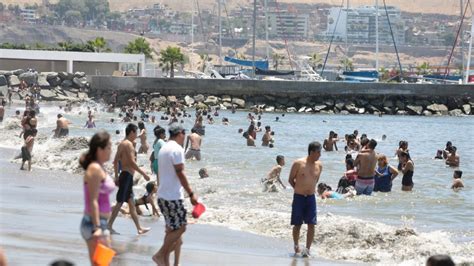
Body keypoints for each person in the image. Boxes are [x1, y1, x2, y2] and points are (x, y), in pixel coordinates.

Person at [152, 124, 198, 266]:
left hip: (162, 195)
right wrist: (191, 194)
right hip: (172, 197)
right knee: (181, 227)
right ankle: (160, 255)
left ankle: (166, 261)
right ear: (179, 134)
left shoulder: (164, 148)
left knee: (171, 231)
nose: (184, 137)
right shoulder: (177, 149)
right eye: (184, 134)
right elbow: (180, 173)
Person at [108, 123, 151, 235]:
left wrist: (117, 176)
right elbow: (132, 162)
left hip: (125, 175)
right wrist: (144, 174)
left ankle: (139, 228)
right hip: (127, 176)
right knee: (120, 202)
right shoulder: (129, 145)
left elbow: (115, 161)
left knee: (131, 203)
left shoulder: (122, 144)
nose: (136, 135)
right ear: (131, 132)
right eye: (135, 133)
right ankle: (109, 225)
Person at [79, 131, 115, 265]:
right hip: (94, 224)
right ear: (100, 149)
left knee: (100, 263)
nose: (111, 151)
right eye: (109, 147)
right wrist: (97, 227)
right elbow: (93, 200)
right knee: (103, 263)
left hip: (97, 222)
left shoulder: (99, 167)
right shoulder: (95, 169)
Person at [288, 142, 322, 257]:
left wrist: (309, 189)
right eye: (318, 152)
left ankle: (307, 249)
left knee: (311, 224)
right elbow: (291, 179)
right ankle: (296, 245)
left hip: (311, 198)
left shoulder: (319, 165)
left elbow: (315, 180)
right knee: (297, 224)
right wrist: (298, 189)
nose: (320, 155)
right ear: (312, 152)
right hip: (299, 197)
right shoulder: (298, 163)